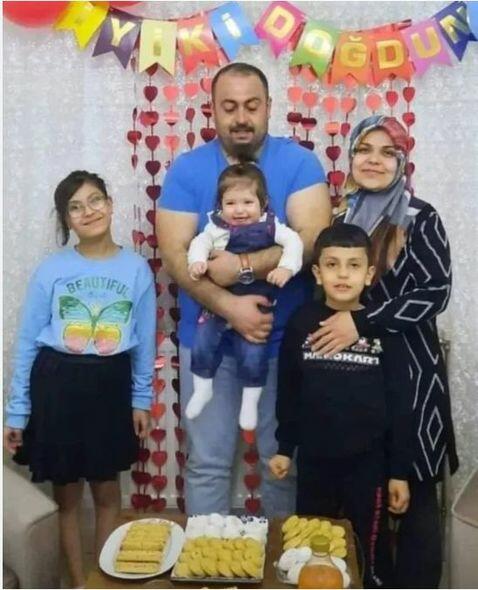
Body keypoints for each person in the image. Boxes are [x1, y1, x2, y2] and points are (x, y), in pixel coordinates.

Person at [157, 62, 331, 516]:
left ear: (269, 106)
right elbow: (175, 254)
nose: (241, 117)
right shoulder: (187, 169)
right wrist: (229, 307)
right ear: (212, 110)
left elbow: (313, 239)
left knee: (282, 465)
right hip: (207, 344)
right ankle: (207, 561)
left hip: (281, 344)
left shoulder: (299, 163)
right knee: (207, 465)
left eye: (251, 106)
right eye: (229, 106)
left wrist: (244, 267)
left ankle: (282, 560)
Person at [307, 115, 458, 588]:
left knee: (414, 498)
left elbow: (435, 292)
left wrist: (363, 320)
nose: (374, 160)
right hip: (355, 378)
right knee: (357, 499)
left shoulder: (420, 217)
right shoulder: (341, 218)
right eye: (364, 150)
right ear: (350, 157)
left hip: (411, 377)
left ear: (402, 161)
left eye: (387, 152)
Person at [3, 170, 156, 588]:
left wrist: (141, 400)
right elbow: (28, 342)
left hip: (110, 386)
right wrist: (16, 413)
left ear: (110, 204)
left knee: (107, 490)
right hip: (58, 385)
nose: (88, 212)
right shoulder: (51, 270)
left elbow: (144, 342)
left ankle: (103, 579)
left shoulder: (136, 269)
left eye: (94, 200)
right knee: (67, 496)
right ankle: (78, 583)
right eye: (75, 207)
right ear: (66, 219)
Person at [269, 223, 414, 588]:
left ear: (369, 274)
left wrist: (399, 472)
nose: (343, 274)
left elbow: (400, 403)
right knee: (311, 547)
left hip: (370, 466)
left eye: (353, 265)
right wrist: (285, 447)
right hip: (315, 462)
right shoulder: (302, 322)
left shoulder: (383, 329)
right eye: (332, 265)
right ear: (318, 273)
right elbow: (289, 390)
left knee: (369, 551)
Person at [186, 161, 303, 431]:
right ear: (220, 205)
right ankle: (203, 388)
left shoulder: (272, 226)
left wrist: (286, 268)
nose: (239, 210)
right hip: (218, 301)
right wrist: (197, 261)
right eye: (231, 203)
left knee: (253, 353)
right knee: (202, 342)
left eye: (248, 202)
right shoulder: (216, 227)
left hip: (257, 303)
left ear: (263, 204)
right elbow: (199, 242)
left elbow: (295, 242)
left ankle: (250, 402)